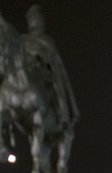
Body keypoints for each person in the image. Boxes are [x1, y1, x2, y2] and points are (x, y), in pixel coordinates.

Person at [22, 4, 78, 132]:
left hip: (43, 72)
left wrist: (42, 58)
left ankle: (63, 116)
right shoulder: (23, 40)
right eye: (31, 18)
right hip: (28, 73)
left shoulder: (47, 40)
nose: (33, 20)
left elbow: (53, 61)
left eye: (35, 17)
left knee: (57, 87)